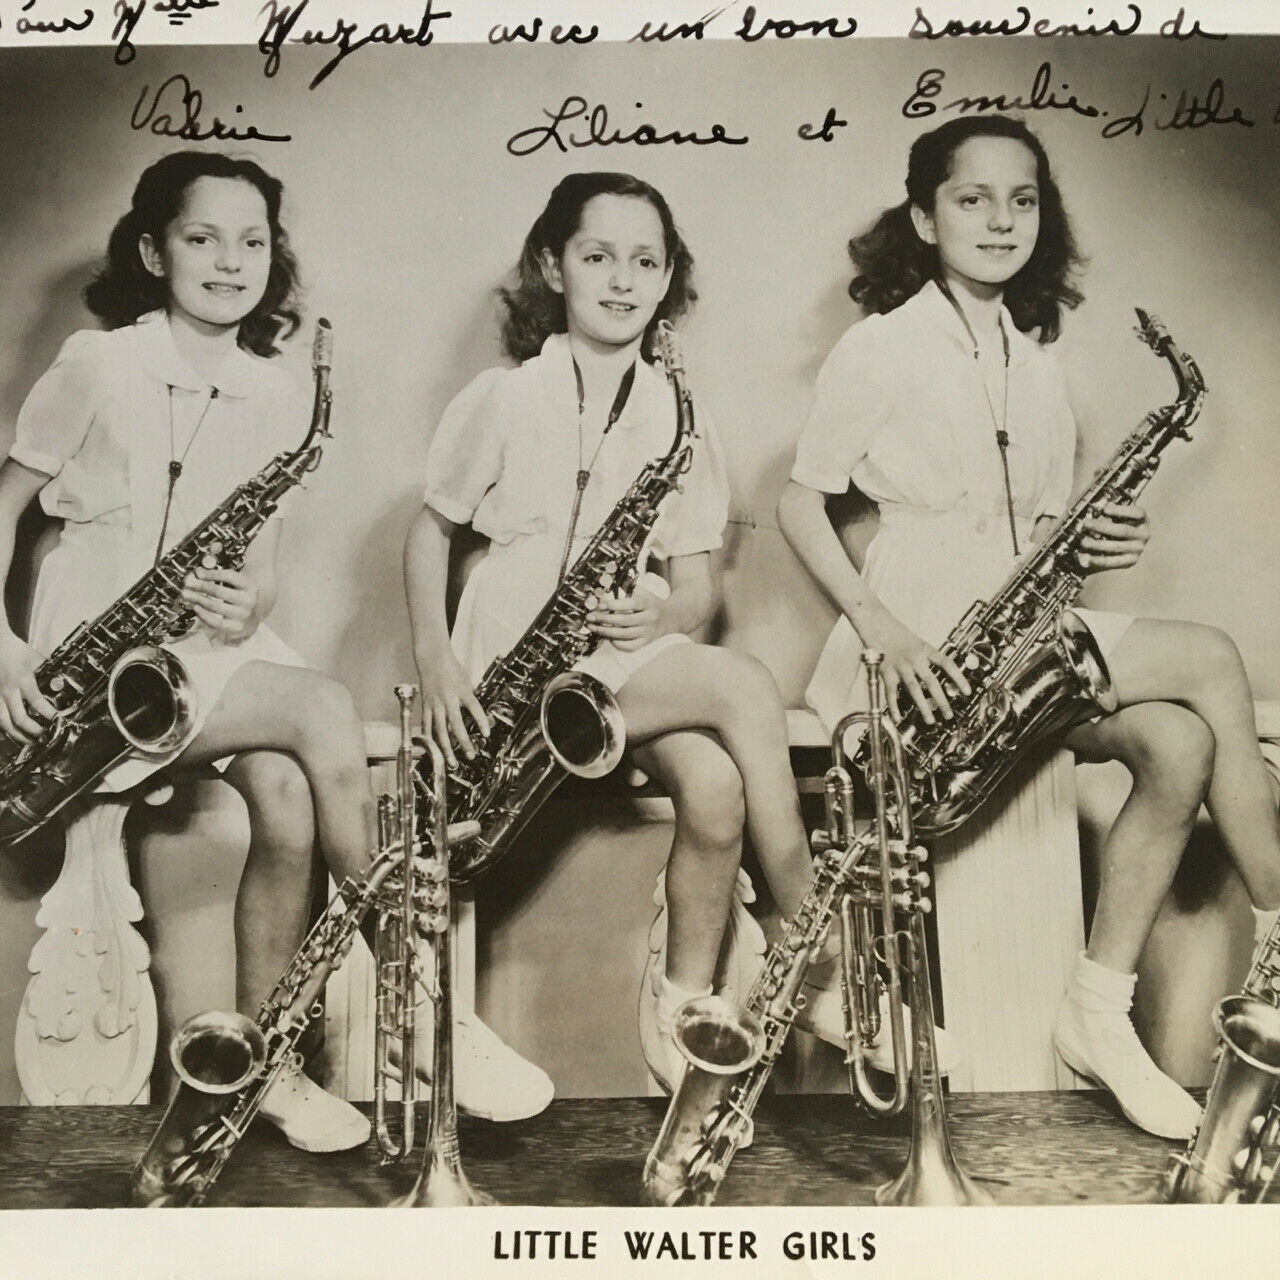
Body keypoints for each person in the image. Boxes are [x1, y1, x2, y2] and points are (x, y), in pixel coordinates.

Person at [776, 116, 1280, 1141]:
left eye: (1023, 198)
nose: (999, 219)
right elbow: (797, 503)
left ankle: (1093, 1005)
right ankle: (1279, 919)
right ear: (922, 217)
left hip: (1019, 648)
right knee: (1210, 656)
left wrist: (1093, 536)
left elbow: (1040, 546)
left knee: (1177, 740)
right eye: (971, 198)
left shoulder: (1038, 364)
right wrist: (885, 630)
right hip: (914, 653)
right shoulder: (877, 347)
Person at [404, 171, 837, 1097]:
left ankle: (679, 998)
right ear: (551, 267)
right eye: (597, 255)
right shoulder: (502, 396)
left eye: (647, 260)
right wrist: (436, 661)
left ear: (669, 275)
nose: (622, 279)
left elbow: (691, 593)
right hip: (517, 664)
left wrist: (658, 614)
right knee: (742, 686)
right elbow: (430, 530)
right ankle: (810, 925)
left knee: (718, 788)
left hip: (625, 660)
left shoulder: (682, 415)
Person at [0, 151, 383, 1153]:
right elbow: (3, 511)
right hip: (95, 650)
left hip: (204, 646)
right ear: (150, 249)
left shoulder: (281, 387)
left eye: (252, 240)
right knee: (324, 709)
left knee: (292, 799)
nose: (230, 260)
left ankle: (268, 1063)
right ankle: (415, 973)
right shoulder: (97, 362)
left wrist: (243, 594)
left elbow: (261, 570)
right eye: (202, 237)